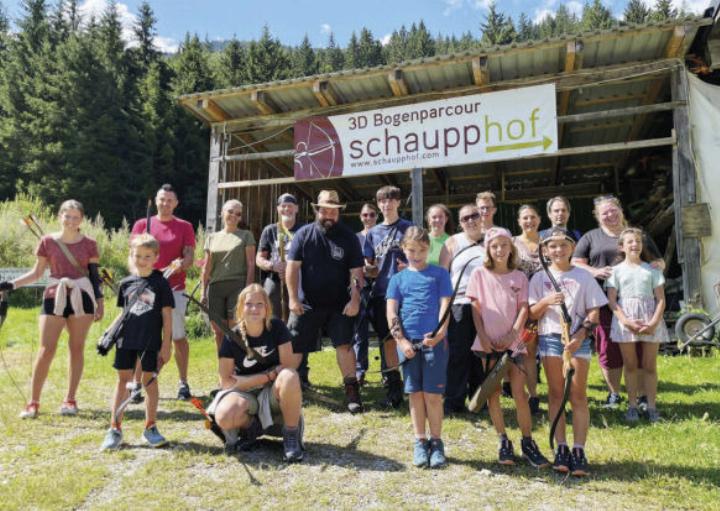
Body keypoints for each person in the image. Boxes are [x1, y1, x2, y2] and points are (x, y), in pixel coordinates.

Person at [2, 200, 104, 419]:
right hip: (53, 295)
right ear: (59, 216)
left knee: (76, 348)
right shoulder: (47, 241)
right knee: (45, 350)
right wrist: (10, 285)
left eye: (75, 217)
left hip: (82, 296)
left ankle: (70, 399)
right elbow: (36, 273)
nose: (70, 221)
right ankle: (33, 402)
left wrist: (100, 302)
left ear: (81, 220)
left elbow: (95, 277)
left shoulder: (90, 244)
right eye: (67, 216)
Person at [466, 227, 549, 467]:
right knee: (493, 392)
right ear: (488, 249)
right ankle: (503, 439)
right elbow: (476, 308)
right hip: (488, 343)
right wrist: (483, 337)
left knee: (519, 394)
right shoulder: (479, 274)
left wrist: (514, 333)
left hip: (515, 345)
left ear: (511, 248)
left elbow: (524, 307)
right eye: (494, 246)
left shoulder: (519, 277)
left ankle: (527, 441)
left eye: (504, 245)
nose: (500, 250)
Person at [572, 195, 663, 409]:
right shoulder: (590, 237)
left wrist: (656, 271)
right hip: (604, 302)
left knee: (640, 346)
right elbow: (576, 263)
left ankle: (641, 396)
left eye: (613, 210)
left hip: (639, 301)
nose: (610, 215)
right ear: (597, 216)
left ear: (621, 210)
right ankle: (614, 394)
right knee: (608, 348)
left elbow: (658, 260)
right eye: (605, 212)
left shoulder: (636, 235)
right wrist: (595, 271)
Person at [530, 228, 607, 476]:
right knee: (555, 393)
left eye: (563, 245)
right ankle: (561, 447)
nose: (558, 250)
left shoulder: (584, 277)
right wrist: (546, 301)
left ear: (572, 248)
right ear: (545, 250)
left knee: (577, 395)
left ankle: (579, 449)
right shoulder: (539, 278)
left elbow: (594, 311)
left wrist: (580, 335)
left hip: (577, 339)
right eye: (553, 246)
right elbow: (532, 312)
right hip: (551, 338)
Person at [286, 190, 365, 413]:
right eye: (325, 210)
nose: (329, 214)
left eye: (334, 210)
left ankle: (352, 391)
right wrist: (293, 299)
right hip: (307, 303)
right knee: (294, 346)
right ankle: (283, 390)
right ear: (317, 210)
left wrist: (355, 300)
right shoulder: (303, 234)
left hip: (340, 304)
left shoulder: (349, 237)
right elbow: (292, 268)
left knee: (345, 346)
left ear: (339, 212)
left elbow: (357, 273)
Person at [209, 284, 304, 462]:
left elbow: (288, 366)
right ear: (240, 308)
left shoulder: (276, 327)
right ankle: (253, 426)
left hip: (273, 389)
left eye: (260, 304)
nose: (254, 309)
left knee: (290, 376)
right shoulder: (232, 337)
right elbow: (226, 382)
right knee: (224, 416)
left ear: (267, 307)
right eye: (249, 304)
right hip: (246, 392)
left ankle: (291, 435)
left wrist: (252, 380)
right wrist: (265, 377)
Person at [386, 227, 453, 469]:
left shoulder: (439, 274)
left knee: (433, 395)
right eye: (411, 249)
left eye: (422, 250)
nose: (416, 254)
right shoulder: (397, 279)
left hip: (434, 343)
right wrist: (401, 341)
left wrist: (439, 333)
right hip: (408, 344)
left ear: (429, 249)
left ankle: (436, 441)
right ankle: (419, 440)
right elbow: (392, 312)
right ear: (403, 248)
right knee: (414, 393)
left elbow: (446, 306)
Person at [100, 234, 174, 450]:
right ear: (131, 255)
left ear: (156, 257)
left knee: (149, 381)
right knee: (123, 380)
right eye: (138, 255)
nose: (142, 260)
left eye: (147, 256)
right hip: (126, 340)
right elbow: (124, 313)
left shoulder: (160, 283)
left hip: (150, 341)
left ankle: (150, 427)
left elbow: (167, 316)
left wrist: (166, 344)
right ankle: (114, 429)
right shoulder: (126, 283)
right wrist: (108, 333)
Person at [131, 184, 196, 401]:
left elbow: (189, 258)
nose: (165, 203)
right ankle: (136, 384)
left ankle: (183, 383)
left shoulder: (184, 226)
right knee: (143, 336)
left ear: (176, 203)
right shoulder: (143, 224)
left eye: (169, 200)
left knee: (177, 336)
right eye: (161, 199)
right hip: (146, 289)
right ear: (156, 201)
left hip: (173, 289)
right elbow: (133, 257)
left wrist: (181, 265)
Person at [606, 228, 669, 423]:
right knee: (631, 365)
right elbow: (612, 301)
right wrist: (625, 321)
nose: (635, 245)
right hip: (626, 321)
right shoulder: (615, 271)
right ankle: (632, 405)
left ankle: (651, 406)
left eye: (638, 242)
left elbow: (660, 299)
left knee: (649, 366)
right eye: (630, 242)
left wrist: (653, 323)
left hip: (650, 320)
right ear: (622, 247)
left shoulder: (652, 270)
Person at [363, 185, 413, 408]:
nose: (387, 204)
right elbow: (370, 265)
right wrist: (369, 270)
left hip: (407, 292)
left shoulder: (409, 228)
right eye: (382, 200)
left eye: (391, 199)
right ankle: (394, 387)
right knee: (388, 341)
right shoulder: (373, 233)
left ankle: (414, 383)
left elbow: (420, 258)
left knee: (410, 337)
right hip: (382, 292)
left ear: (399, 203)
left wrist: (409, 266)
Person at [438, 204, 485, 414]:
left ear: (481, 216)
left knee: (481, 355)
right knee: (458, 354)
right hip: (460, 304)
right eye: (465, 218)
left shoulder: (492, 239)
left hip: (486, 305)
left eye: (474, 216)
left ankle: (478, 401)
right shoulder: (453, 242)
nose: (471, 221)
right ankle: (454, 402)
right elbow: (442, 275)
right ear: (460, 223)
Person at [201, 199, 256, 351]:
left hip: (237, 285)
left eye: (238, 214)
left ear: (240, 217)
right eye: (230, 211)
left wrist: (248, 289)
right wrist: (202, 292)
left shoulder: (246, 235)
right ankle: (223, 364)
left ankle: (237, 364)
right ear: (222, 213)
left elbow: (251, 264)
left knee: (235, 329)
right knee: (217, 330)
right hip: (215, 287)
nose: (233, 216)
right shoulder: (212, 237)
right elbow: (206, 267)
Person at [512, 204, 543, 415]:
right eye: (525, 218)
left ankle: (560, 392)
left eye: (532, 217)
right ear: (519, 221)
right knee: (528, 351)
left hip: (548, 304)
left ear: (539, 219)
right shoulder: (513, 244)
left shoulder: (549, 243)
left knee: (551, 351)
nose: (529, 221)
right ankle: (531, 395)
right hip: (522, 304)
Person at [256, 193, 303, 322]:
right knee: (271, 316)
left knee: (299, 316)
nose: (287, 209)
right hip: (275, 278)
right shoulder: (269, 230)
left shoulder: (305, 230)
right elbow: (259, 259)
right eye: (283, 206)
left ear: (297, 208)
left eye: (290, 206)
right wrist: (273, 266)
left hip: (299, 279)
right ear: (278, 209)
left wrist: (291, 269)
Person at [353, 203, 378, 384]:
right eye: (365, 215)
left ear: (376, 216)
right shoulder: (354, 239)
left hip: (381, 287)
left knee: (386, 333)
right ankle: (360, 371)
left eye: (371, 215)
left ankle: (389, 375)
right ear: (360, 217)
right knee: (359, 332)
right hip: (361, 288)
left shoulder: (383, 235)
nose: (368, 218)